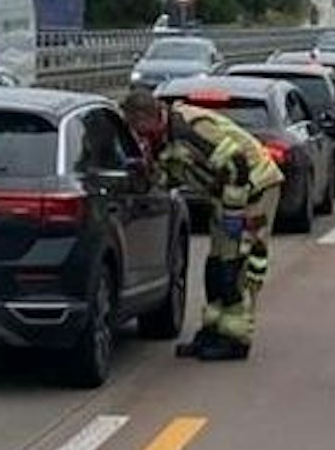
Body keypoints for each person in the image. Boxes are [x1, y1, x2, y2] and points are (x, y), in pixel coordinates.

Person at [120, 87, 284, 362]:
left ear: (149, 117)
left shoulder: (189, 129)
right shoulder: (164, 138)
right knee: (216, 265)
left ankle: (236, 338)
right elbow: (174, 175)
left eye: (137, 128)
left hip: (255, 189)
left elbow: (237, 164)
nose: (137, 135)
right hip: (225, 195)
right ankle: (214, 329)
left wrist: (234, 213)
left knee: (238, 265)